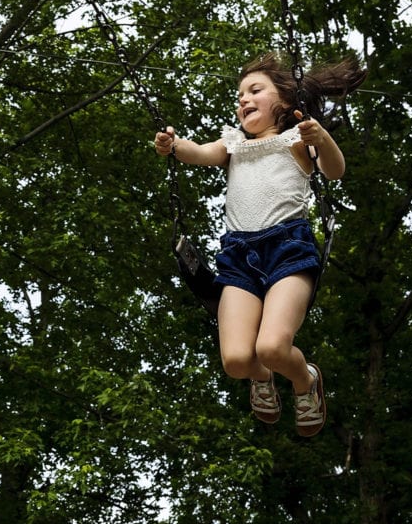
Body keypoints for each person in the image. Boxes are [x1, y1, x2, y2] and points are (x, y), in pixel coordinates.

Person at [154, 52, 365, 437]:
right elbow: (200, 153)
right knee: (237, 360)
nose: (243, 100)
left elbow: (334, 171)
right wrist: (174, 144)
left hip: (288, 248)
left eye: (254, 90)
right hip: (238, 257)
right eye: (239, 97)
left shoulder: (296, 139)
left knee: (271, 346)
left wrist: (322, 137)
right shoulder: (233, 144)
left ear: (284, 100)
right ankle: (261, 378)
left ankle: (305, 380)